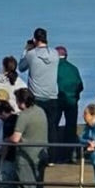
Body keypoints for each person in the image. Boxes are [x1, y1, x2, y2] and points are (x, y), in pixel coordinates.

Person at [19, 29, 60, 166]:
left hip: (36, 96)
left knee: (36, 127)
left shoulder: (31, 55)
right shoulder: (55, 53)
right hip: (52, 95)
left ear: (35, 39)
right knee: (52, 127)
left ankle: (38, 156)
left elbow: (21, 67)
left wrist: (26, 49)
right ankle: (53, 158)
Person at [9, 88, 49, 188]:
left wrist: (7, 139)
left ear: (21, 102)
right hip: (41, 154)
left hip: (26, 156)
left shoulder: (24, 116)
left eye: (17, 101)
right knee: (38, 186)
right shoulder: (40, 111)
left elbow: (16, 138)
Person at [55, 47, 84, 164]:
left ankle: (54, 154)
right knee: (71, 128)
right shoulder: (73, 69)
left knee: (53, 125)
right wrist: (75, 96)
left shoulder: (54, 69)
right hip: (72, 101)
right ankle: (70, 154)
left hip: (57, 100)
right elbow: (80, 86)